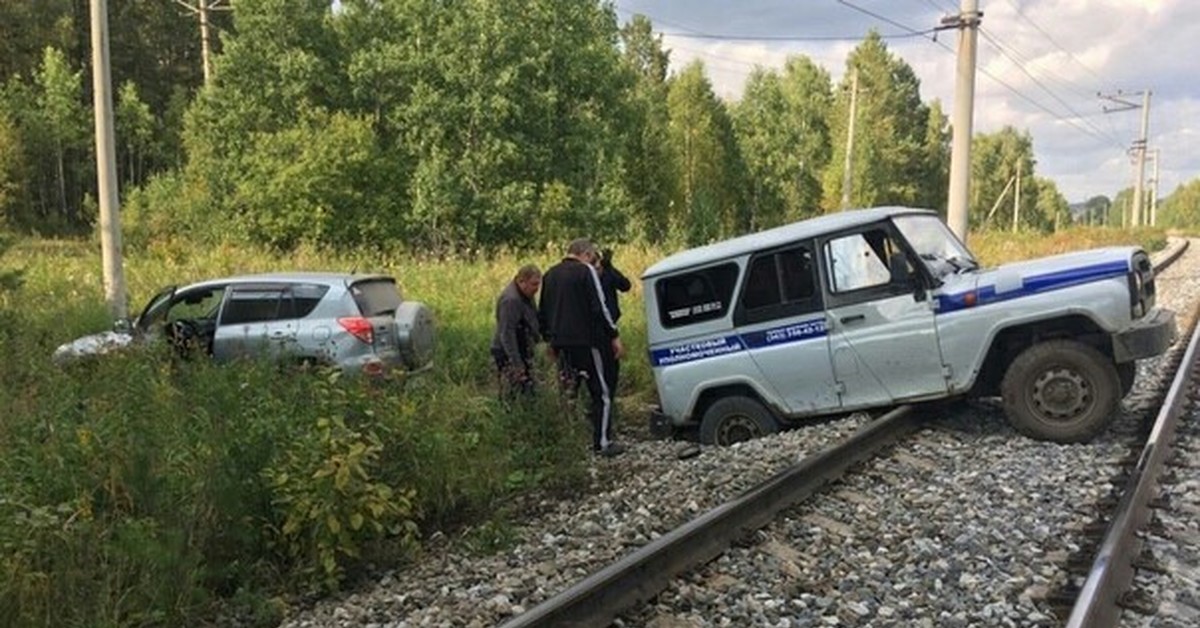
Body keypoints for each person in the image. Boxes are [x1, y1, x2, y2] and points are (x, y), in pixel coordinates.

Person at [539, 238, 625, 456]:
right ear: (585, 254)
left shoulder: (549, 274)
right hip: (587, 342)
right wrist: (613, 335)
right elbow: (600, 306)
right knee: (601, 392)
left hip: (560, 343)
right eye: (592, 256)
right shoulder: (585, 271)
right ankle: (602, 442)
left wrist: (549, 340)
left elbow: (544, 310)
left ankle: (568, 442)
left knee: (568, 392)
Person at [491, 264, 542, 397]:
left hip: (521, 347)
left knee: (528, 391)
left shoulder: (525, 294)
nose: (537, 289)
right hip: (508, 352)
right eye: (534, 284)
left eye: (538, 284)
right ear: (521, 281)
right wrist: (517, 363)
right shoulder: (511, 300)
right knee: (514, 394)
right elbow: (507, 333)